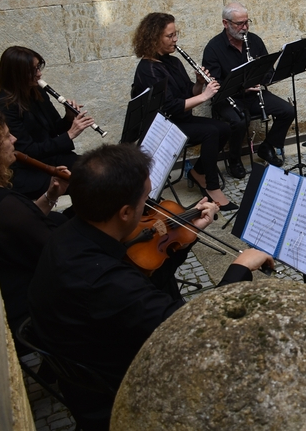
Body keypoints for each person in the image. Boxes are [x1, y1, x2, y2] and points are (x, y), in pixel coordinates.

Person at [27, 144, 273, 431]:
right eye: (146, 198)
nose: (152, 207)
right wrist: (240, 267)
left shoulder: (68, 232)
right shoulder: (105, 282)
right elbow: (195, 329)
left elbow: (140, 286)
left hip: (93, 349)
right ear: (124, 212)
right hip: (117, 392)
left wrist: (184, 237)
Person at [131, 12, 237, 211]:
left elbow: (188, 92)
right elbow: (170, 106)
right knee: (211, 131)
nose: (175, 39)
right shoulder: (148, 70)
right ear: (154, 38)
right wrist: (205, 96)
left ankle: (198, 172)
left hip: (181, 120)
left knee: (224, 128)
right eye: (169, 36)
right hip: (165, 128)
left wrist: (199, 85)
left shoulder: (172, 62)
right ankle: (212, 187)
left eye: (175, 34)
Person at [0, 110, 69, 335]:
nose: (13, 140)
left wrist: (51, 195)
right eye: (7, 137)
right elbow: (57, 255)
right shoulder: (4, 204)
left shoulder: (7, 203)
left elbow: (26, 221)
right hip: (33, 307)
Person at [202, 3, 295, 177]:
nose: (244, 27)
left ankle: (267, 147)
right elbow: (214, 84)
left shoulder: (254, 41)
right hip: (228, 99)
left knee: (288, 111)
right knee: (239, 120)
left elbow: (268, 70)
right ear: (225, 23)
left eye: (247, 22)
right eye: (239, 24)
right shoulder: (213, 48)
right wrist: (241, 87)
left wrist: (261, 80)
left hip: (253, 95)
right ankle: (234, 159)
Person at [0, 46, 94, 199]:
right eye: (33, 70)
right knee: (80, 181)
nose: (39, 74)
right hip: (27, 168)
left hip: (50, 157)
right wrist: (69, 135)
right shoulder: (4, 107)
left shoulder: (37, 92)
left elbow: (54, 129)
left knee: (96, 170)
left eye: (38, 67)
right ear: (17, 75)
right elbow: (29, 150)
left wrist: (68, 118)